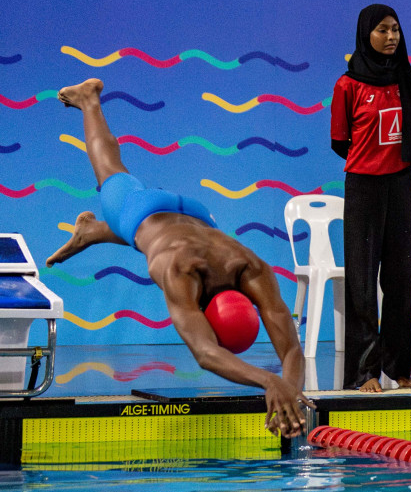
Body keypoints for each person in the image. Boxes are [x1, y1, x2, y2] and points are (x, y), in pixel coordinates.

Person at [44, 78, 310, 434]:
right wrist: (270, 382)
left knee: (145, 236)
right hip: (143, 210)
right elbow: (205, 354)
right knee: (109, 170)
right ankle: (90, 100)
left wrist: (290, 391)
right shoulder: (182, 271)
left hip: (198, 214)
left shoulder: (247, 263)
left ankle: (93, 231)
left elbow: (292, 351)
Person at [331, 4, 411, 392]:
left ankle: (398, 368)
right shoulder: (347, 85)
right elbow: (339, 142)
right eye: (383, 30)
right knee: (363, 283)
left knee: (401, 280)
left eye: (396, 30)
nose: (391, 37)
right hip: (364, 188)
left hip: (400, 185)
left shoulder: (405, 78)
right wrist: (370, 161)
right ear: (365, 34)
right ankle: (364, 373)